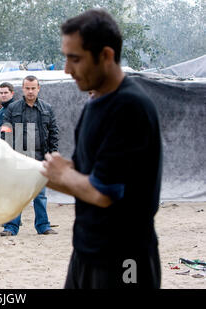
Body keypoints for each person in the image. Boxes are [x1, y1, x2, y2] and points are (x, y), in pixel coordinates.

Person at [41, 9, 162, 288]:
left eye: (75, 59)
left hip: (125, 260)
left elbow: (105, 191)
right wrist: (37, 174)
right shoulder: (95, 105)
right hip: (86, 252)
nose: (66, 69)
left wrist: (63, 174)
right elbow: (85, 177)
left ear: (106, 56)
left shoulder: (129, 107)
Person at [0, 76, 59, 237]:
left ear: (38, 88)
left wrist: (52, 155)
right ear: (23, 89)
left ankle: (43, 226)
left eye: (33, 88)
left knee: (40, 194)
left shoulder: (47, 108)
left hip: (40, 157)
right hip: (19, 157)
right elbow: (5, 131)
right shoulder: (13, 108)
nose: (30, 91)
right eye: (27, 88)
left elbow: (54, 133)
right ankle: (11, 227)